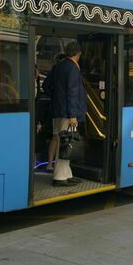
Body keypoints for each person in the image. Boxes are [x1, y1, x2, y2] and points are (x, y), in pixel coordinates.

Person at [46, 42, 86, 186]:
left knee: (61, 141)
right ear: (78, 54)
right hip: (67, 113)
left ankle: (67, 173)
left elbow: (46, 85)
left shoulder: (59, 66)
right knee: (66, 144)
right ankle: (60, 177)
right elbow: (73, 93)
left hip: (57, 110)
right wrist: (73, 115)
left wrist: (57, 98)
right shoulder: (73, 68)